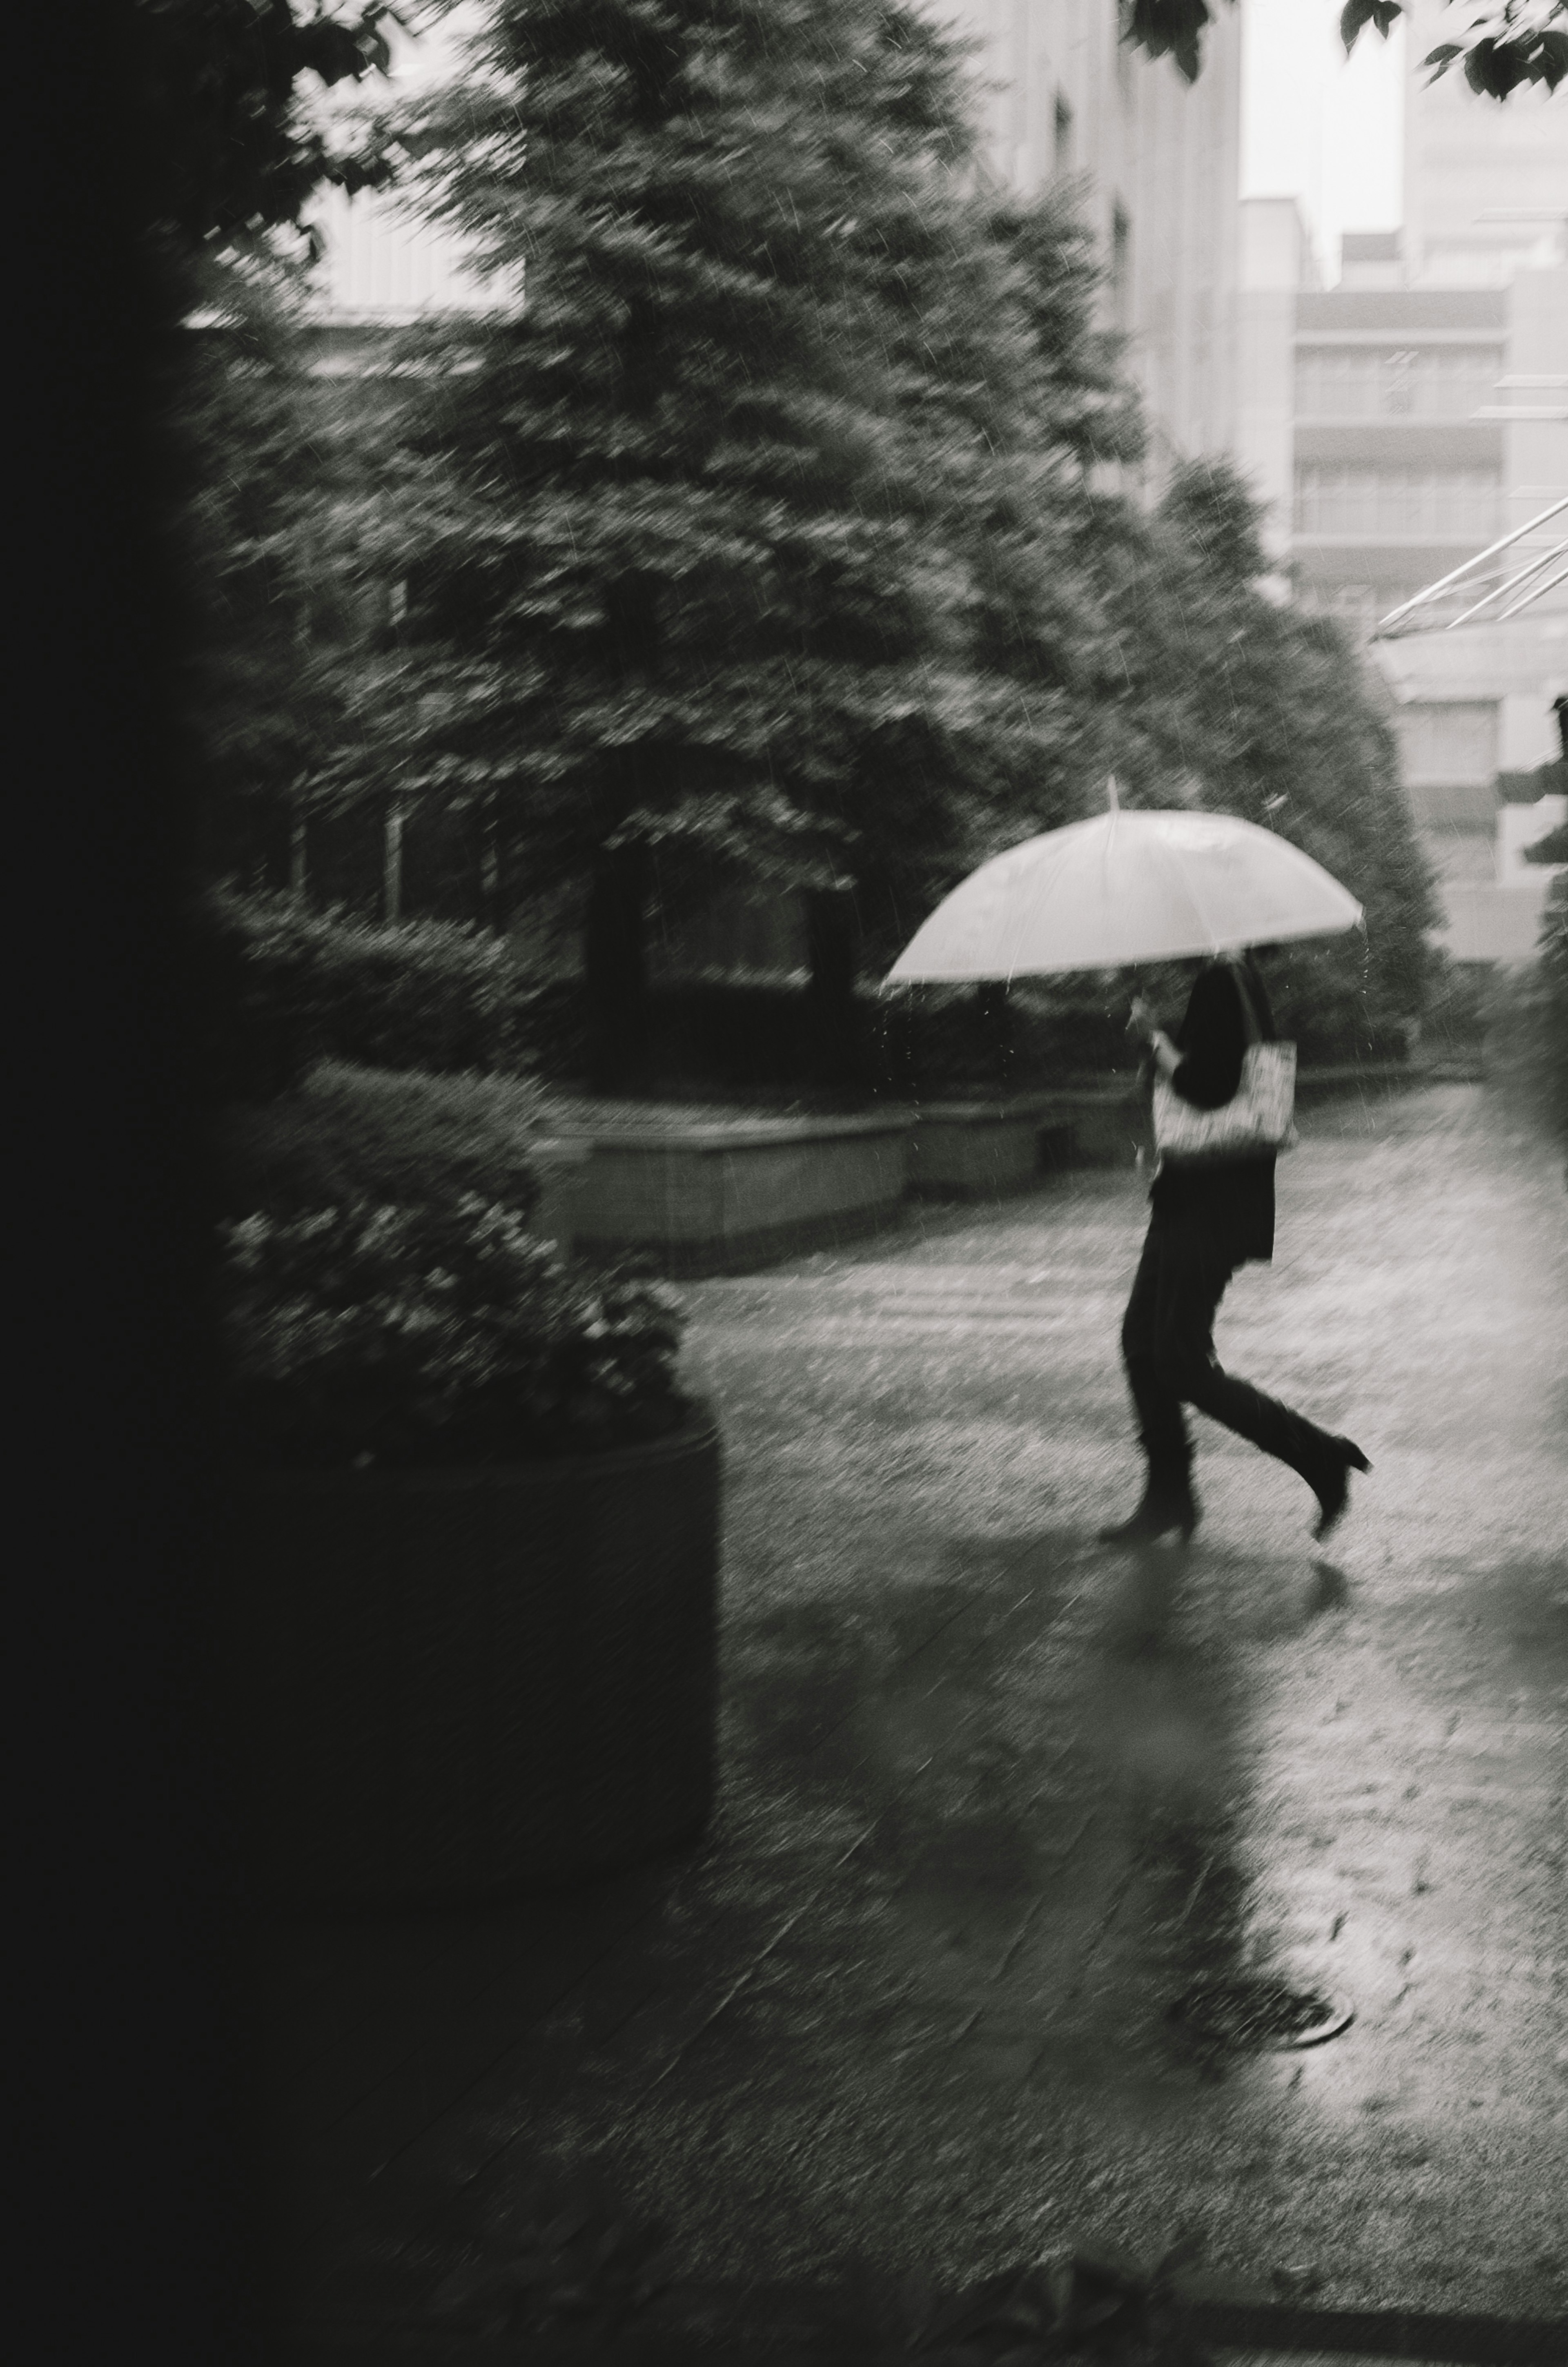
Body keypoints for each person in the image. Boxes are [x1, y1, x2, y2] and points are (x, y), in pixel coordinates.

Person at [1099, 946, 1369, 1548]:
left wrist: (1155, 1039)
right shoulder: (1225, 979)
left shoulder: (1224, 979)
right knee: (1143, 1343)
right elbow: (1210, 1074)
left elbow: (1209, 1085)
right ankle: (1168, 1495)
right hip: (1191, 1198)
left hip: (1211, 1209)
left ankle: (1320, 1456)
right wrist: (1158, 1055)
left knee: (1177, 1359)